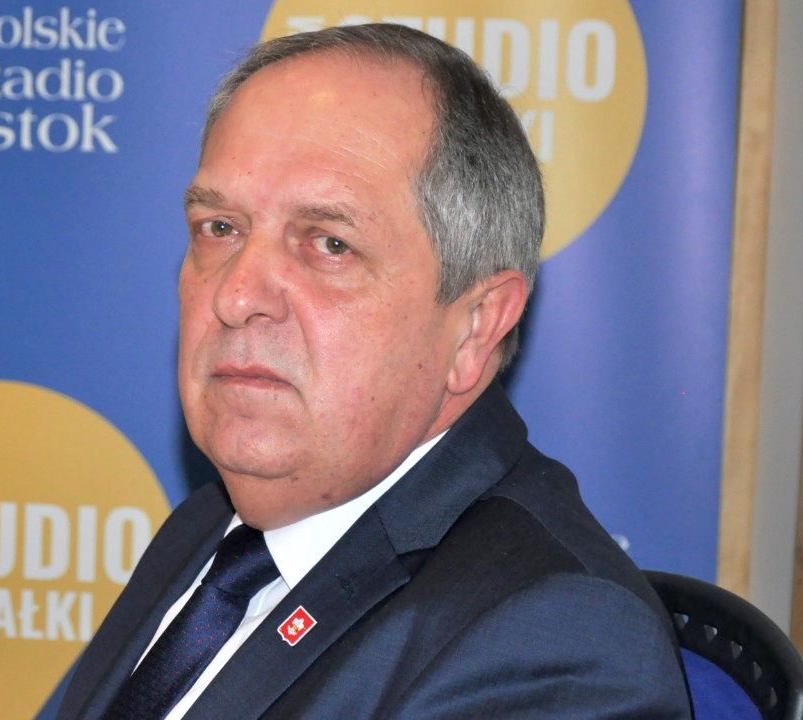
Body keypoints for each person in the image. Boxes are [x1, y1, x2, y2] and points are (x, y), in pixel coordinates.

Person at [57, 22, 692, 719]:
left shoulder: (558, 644)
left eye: (330, 244)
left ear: (476, 327)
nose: (236, 296)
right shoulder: (209, 529)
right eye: (220, 228)